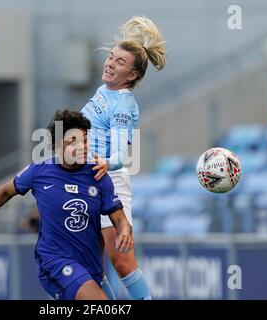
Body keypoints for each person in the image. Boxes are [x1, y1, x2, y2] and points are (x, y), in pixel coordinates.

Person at [0, 110, 134, 300]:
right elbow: (5, 192)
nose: (81, 146)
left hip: (91, 268)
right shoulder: (39, 172)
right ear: (57, 145)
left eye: (85, 140)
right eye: (72, 141)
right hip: (54, 262)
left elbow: (119, 218)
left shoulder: (98, 176)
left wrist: (124, 231)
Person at [81, 16, 167, 300]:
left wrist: (107, 163)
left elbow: (120, 152)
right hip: (88, 180)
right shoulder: (104, 90)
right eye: (111, 57)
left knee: (123, 264)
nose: (110, 63)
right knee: (91, 267)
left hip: (110, 182)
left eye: (119, 62)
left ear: (131, 75)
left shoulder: (123, 102)